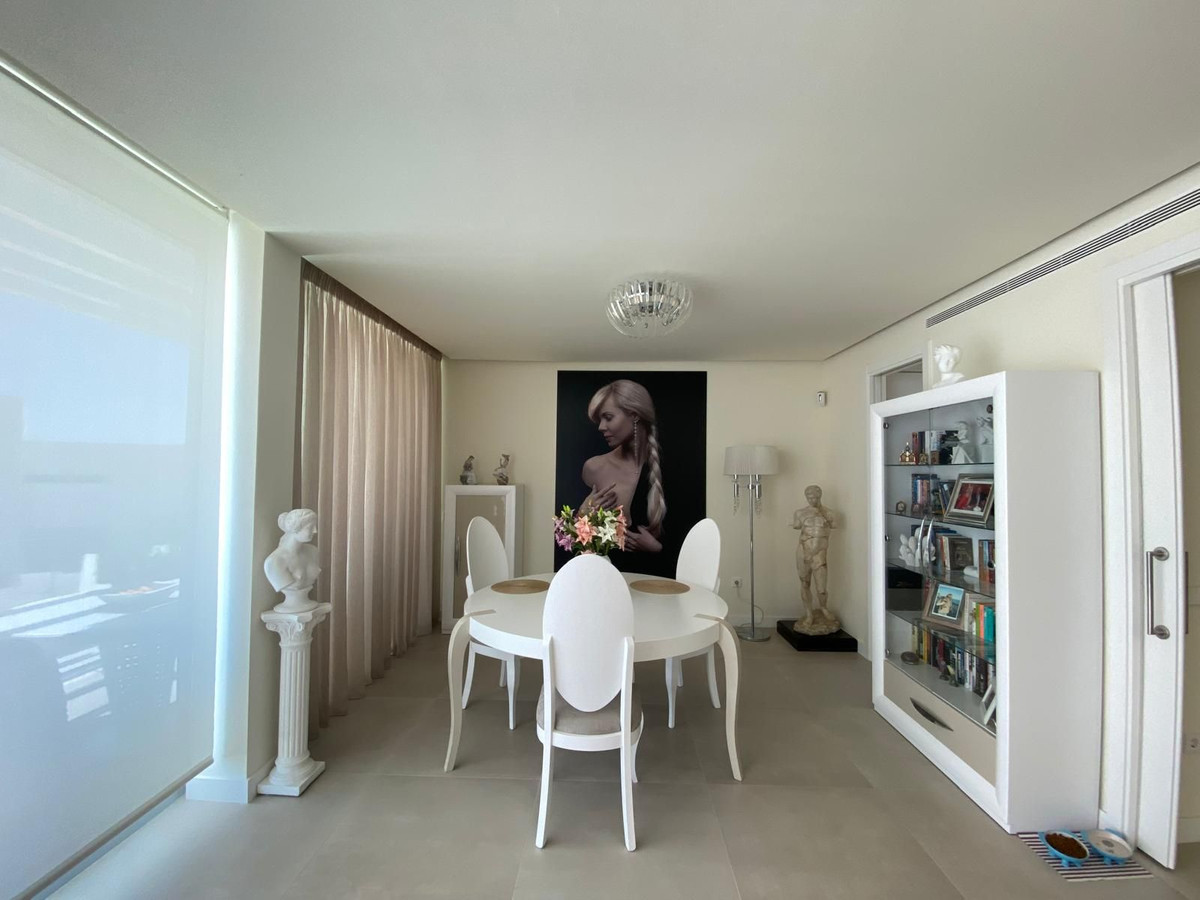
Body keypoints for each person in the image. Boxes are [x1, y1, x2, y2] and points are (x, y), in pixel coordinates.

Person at [579, 379, 665, 556]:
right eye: (599, 420)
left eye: (608, 417)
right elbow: (577, 546)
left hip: (655, 572)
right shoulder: (594, 468)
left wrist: (657, 548)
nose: (601, 427)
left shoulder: (669, 469)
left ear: (634, 415)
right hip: (604, 569)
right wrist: (582, 514)